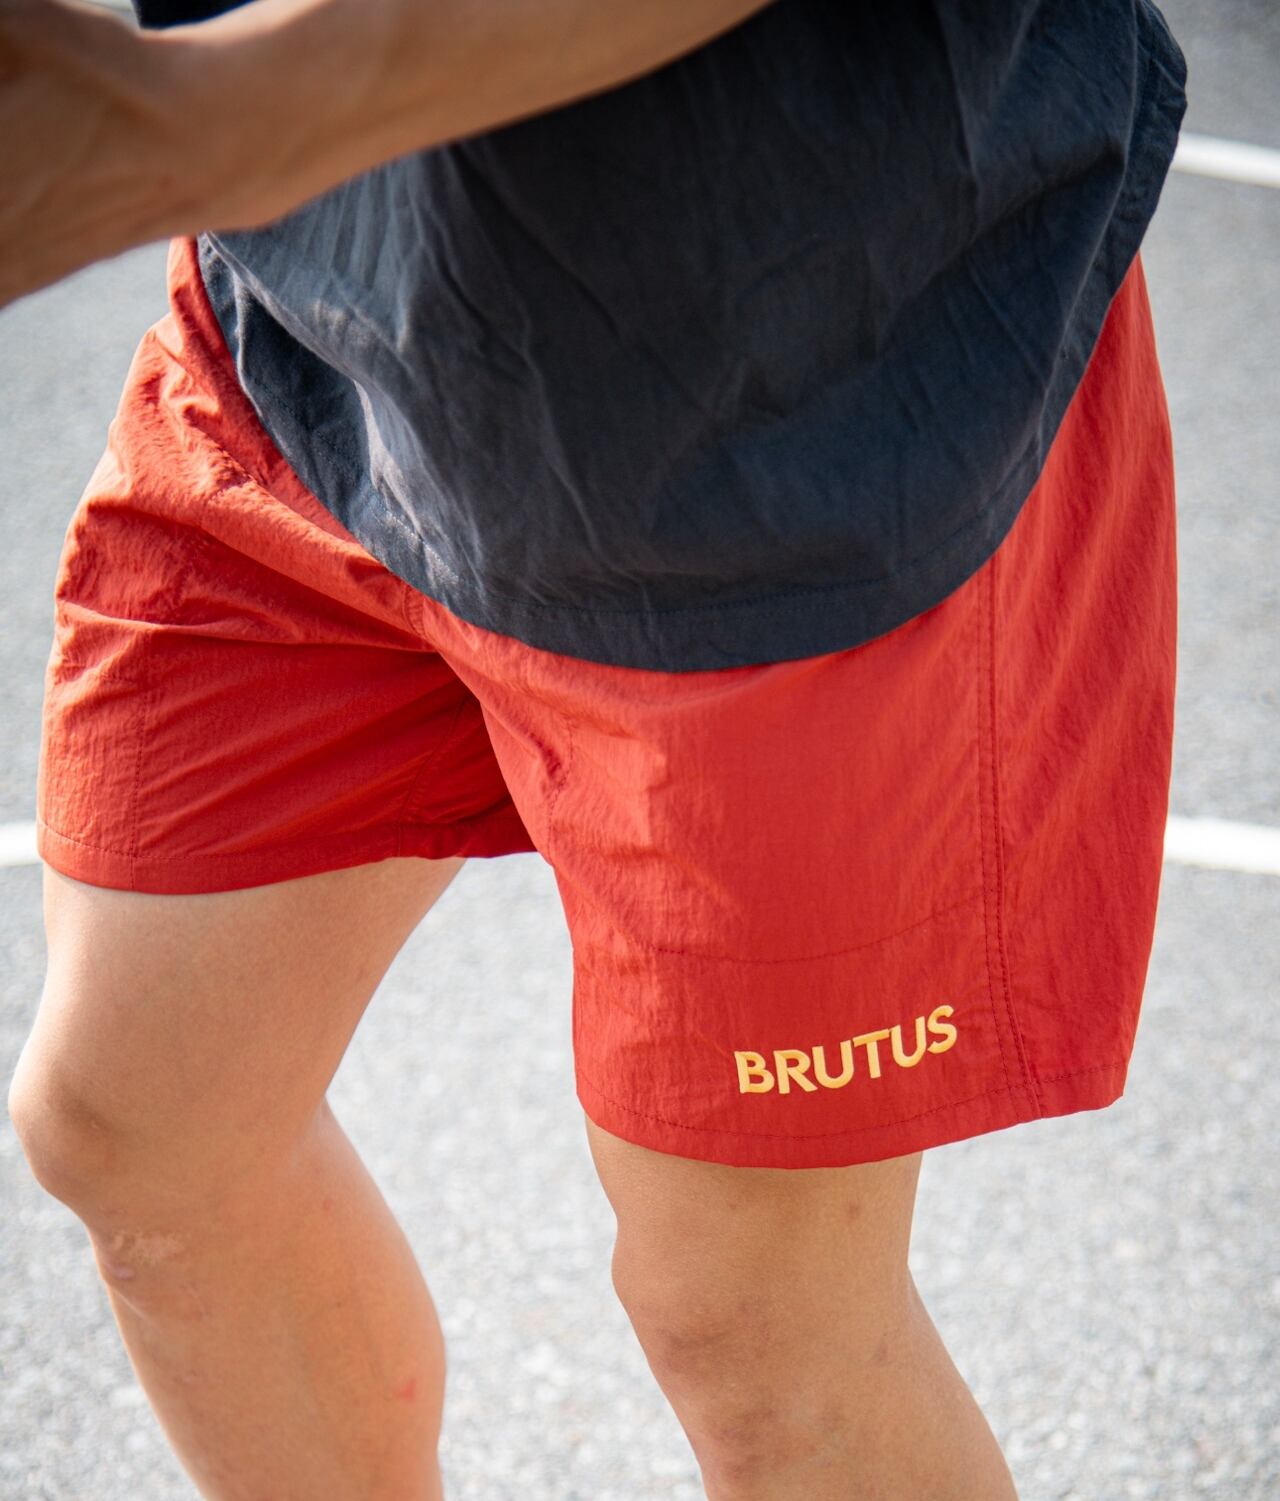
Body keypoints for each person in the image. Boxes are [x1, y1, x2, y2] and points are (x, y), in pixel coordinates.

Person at [3, 0, 1187, 1497]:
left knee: (758, 1324)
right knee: (138, 1127)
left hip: (794, 412)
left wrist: (191, 117)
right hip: (323, 345)